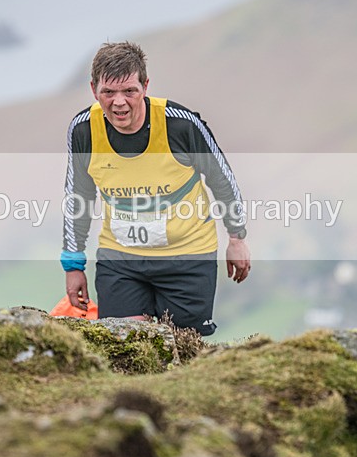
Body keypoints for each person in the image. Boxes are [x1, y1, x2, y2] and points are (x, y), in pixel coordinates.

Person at [61, 42, 251, 336]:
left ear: (145, 86)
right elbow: (78, 196)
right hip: (121, 260)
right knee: (125, 345)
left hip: (188, 257)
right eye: (108, 92)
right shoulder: (83, 129)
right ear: (93, 89)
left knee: (183, 349)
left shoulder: (180, 125)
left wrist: (236, 237)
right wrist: (73, 265)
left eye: (129, 91)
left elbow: (221, 178)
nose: (119, 102)